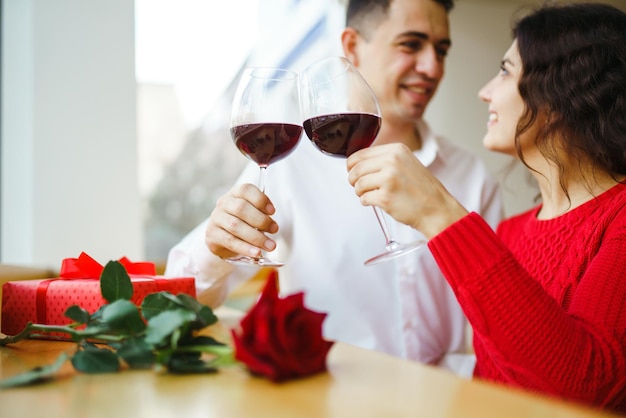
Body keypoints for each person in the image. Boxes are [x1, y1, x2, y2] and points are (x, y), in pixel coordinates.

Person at [165, 0, 503, 376]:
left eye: (441, 50)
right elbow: (177, 302)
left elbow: (498, 320)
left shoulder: (471, 176)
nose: (432, 67)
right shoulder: (290, 169)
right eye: (411, 44)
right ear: (352, 47)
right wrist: (215, 250)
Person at [346, 2, 626, 412]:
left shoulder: (618, 218)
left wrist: (440, 215)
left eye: (506, 71)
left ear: (566, 87)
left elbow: (587, 388)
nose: (485, 91)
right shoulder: (509, 232)